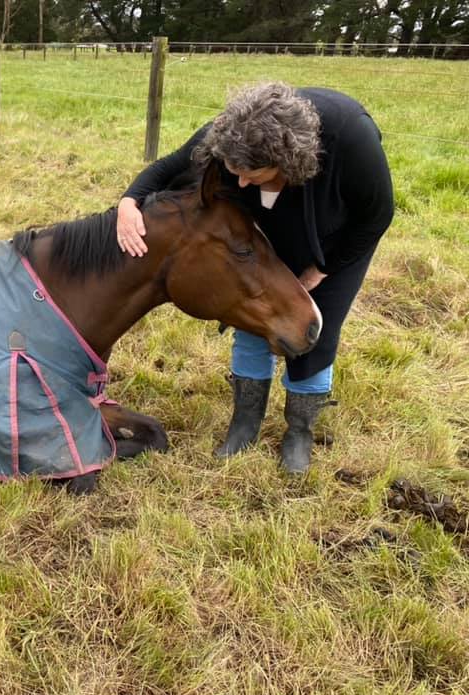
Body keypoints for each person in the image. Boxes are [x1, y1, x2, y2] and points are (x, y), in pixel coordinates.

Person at [117, 82, 393, 473]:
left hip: (335, 243)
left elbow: (376, 216)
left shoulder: (351, 137)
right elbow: (169, 168)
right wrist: (128, 202)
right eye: (236, 173)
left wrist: (321, 269)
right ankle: (244, 423)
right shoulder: (230, 133)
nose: (242, 183)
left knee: (314, 331)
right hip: (263, 237)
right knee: (251, 311)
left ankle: (299, 431)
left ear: (289, 161)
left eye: (254, 174)